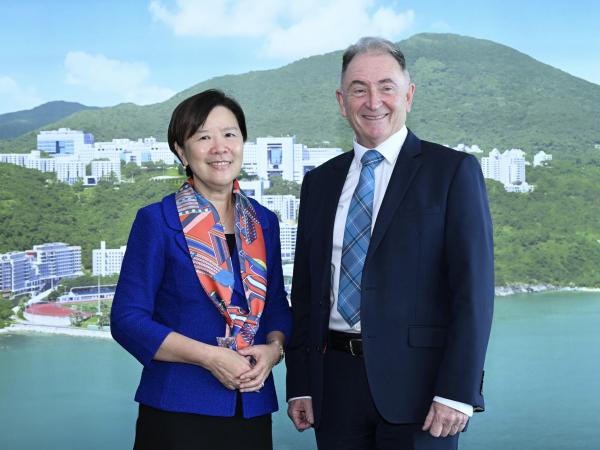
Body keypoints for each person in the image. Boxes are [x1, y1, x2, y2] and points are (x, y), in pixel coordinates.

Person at [286, 37, 494, 450]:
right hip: (334, 387)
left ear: (409, 95)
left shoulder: (452, 172)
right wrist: (301, 383)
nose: (373, 101)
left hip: (421, 391)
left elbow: (473, 291)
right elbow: (306, 292)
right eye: (358, 89)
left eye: (386, 87)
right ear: (341, 101)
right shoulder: (319, 183)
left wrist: (458, 390)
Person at [111, 89, 292, 450]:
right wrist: (211, 357)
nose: (219, 147)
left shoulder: (263, 223)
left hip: (251, 407)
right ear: (182, 150)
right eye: (203, 137)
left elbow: (275, 306)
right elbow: (128, 320)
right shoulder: (157, 221)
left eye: (230, 134)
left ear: (242, 142)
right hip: (177, 411)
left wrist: (273, 351)